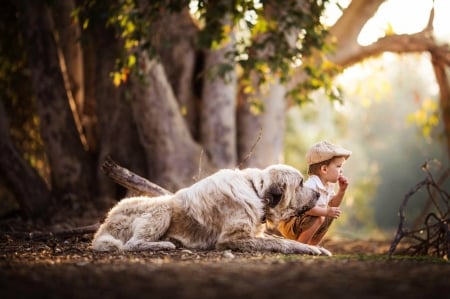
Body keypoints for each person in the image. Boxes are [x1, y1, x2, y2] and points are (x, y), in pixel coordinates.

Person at [277, 141, 352, 245]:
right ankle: (300, 246)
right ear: (324, 169)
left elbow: (333, 204)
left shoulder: (328, 185)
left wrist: (341, 191)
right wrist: (326, 212)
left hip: (304, 222)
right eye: (338, 166)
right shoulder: (311, 185)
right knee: (320, 216)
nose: (341, 170)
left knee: (328, 215)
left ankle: (313, 245)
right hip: (290, 224)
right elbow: (307, 209)